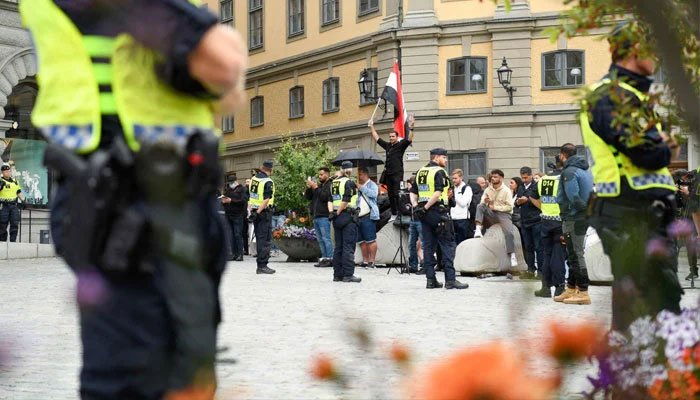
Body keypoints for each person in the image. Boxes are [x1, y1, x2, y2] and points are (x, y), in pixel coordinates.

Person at [20, 1, 246, 397]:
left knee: (178, 373)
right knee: (139, 378)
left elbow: (228, 89)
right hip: (134, 200)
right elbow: (224, 65)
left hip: (137, 195)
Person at [582, 22, 682, 328]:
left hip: (647, 210)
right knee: (645, 299)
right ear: (636, 49)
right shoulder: (609, 96)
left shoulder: (633, 96)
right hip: (628, 209)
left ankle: (648, 366)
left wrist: (663, 145)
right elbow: (650, 153)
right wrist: (663, 146)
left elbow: (666, 147)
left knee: (660, 297)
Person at [410, 148, 469, 290]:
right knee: (447, 246)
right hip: (438, 212)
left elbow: (412, 192)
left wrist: (417, 206)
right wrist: (427, 207)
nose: (446, 160)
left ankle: (431, 280)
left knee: (428, 247)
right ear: (436, 158)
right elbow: (437, 193)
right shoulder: (439, 172)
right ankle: (450, 280)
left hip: (424, 215)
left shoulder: (421, 171)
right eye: (444, 157)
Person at [555, 144, 594, 305]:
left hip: (573, 218)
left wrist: (581, 211)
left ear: (562, 155)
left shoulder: (569, 172)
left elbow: (573, 197)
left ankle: (583, 291)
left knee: (576, 254)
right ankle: (571, 288)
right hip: (581, 217)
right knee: (572, 253)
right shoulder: (584, 170)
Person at [533, 157, 567, 298]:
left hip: (545, 221)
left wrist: (543, 208)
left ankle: (545, 288)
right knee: (558, 255)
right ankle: (560, 288)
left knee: (547, 255)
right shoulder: (563, 179)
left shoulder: (542, 179)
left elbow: (533, 197)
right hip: (559, 221)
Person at [370, 116, 415, 217]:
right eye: (390, 137)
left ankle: (400, 212)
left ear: (397, 137)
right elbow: (377, 138)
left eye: (393, 136)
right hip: (388, 174)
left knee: (397, 193)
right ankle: (394, 213)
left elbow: (409, 139)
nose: (391, 138)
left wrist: (411, 127)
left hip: (397, 173)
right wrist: (371, 126)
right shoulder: (387, 146)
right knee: (390, 194)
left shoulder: (401, 145)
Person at [474, 170, 518, 268]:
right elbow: (482, 203)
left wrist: (496, 207)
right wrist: (486, 202)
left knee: (509, 232)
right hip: (491, 213)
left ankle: (512, 255)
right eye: (492, 177)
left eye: (496, 177)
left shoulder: (506, 190)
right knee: (479, 206)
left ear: (501, 178)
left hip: (504, 214)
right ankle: (478, 229)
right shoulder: (488, 189)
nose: (493, 178)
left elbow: (510, 207)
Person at [329, 161, 361, 282]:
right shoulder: (349, 182)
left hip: (336, 217)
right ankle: (348, 274)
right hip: (348, 216)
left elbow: (329, 200)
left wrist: (332, 212)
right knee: (348, 246)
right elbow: (346, 199)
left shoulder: (334, 183)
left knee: (339, 247)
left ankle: (337, 274)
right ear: (350, 169)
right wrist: (338, 212)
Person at [249, 160, 277, 275]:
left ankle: (261, 265)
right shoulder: (267, 181)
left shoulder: (253, 180)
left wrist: (253, 211)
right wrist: (259, 212)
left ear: (262, 168)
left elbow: (250, 196)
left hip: (255, 211)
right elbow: (266, 199)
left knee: (260, 238)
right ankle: (262, 265)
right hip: (263, 213)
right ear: (271, 169)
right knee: (265, 240)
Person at [516, 167, 543, 280]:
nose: (524, 180)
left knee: (538, 247)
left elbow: (539, 202)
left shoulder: (536, 186)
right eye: (522, 178)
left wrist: (527, 200)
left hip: (536, 220)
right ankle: (530, 269)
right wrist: (518, 202)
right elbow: (518, 201)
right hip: (524, 220)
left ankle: (541, 271)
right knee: (528, 247)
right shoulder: (521, 187)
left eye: (526, 177)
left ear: (531, 175)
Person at [305, 167, 334, 268]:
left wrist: (316, 188)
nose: (319, 176)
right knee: (320, 239)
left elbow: (325, 197)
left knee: (326, 238)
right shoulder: (320, 186)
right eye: (319, 175)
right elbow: (308, 197)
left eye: (321, 175)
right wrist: (309, 188)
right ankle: (324, 258)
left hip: (324, 216)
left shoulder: (330, 185)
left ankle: (330, 259)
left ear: (327, 174)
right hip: (316, 216)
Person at [357, 167, 379, 268]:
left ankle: (372, 261)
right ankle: (365, 260)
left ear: (366, 174)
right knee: (361, 240)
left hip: (369, 215)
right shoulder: (358, 185)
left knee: (370, 239)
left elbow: (374, 194)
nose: (359, 177)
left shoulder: (372, 184)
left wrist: (361, 188)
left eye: (360, 174)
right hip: (359, 216)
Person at [222, 175, 248, 261]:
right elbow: (226, 200)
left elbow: (243, 201)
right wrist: (223, 201)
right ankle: (234, 254)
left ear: (236, 181)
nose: (230, 184)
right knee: (231, 235)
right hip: (229, 214)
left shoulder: (242, 189)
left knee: (237, 234)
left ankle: (240, 254)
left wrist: (231, 201)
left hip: (238, 215)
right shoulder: (228, 190)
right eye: (229, 183)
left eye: (232, 183)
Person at [404, 177, 425, 274]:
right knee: (411, 244)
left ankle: (425, 265)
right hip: (413, 220)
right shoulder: (412, 193)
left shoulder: (422, 191)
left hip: (421, 220)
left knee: (424, 244)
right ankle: (413, 265)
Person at [0, 163, 23, 242]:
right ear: (2, 172)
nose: (8, 173)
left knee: (15, 223)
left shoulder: (15, 181)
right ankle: (2, 243)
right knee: (2, 225)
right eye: (6, 171)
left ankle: (13, 242)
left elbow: (18, 192)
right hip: (3, 206)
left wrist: (23, 200)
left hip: (13, 205)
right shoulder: (0, 181)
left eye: (9, 171)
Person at [450, 169, 472, 246]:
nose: (453, 180)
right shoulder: (452, 188)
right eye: (452, 178)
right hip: (452, 219)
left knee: (462, 243)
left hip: (462, 220)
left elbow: (463, 203)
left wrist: (454, 196)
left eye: (455, 178)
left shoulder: (466, 188)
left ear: (461, 178)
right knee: (452, 243)